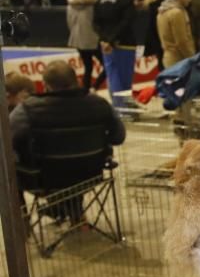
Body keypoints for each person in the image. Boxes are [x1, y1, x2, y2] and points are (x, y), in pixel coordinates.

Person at [10, 60, 126, 220]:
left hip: (45, 181)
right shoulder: (100, 104)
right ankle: (72, 213)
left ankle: (23, 227)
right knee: (74, 162)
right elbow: (119, 137)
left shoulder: (27, 110)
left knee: (11, 170)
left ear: (45, 85)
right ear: (77, 80)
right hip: (90, 175)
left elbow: (8, 142)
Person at [93, 0, 142, 109]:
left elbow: (95, 22)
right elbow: (126, 22)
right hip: (124, 42)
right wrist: (111, 39)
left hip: (106, 44)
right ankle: (123, 107)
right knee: (124, 77)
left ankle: (118, 105)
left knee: (112, 74)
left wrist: (104, 40)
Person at [66, 0, 106, 93]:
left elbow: (69, 23)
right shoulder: (93, 5)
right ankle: (95, 87)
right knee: (107, 66)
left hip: (77, 39)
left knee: (88, 67)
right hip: (93, 39)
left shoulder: (70, 4)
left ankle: (85, 91)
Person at [156, 0, 195, 68]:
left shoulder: (162, 11)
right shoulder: (177, 13)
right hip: (179, 60)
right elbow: (181, 41)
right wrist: (192, 58)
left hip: (167, 58)